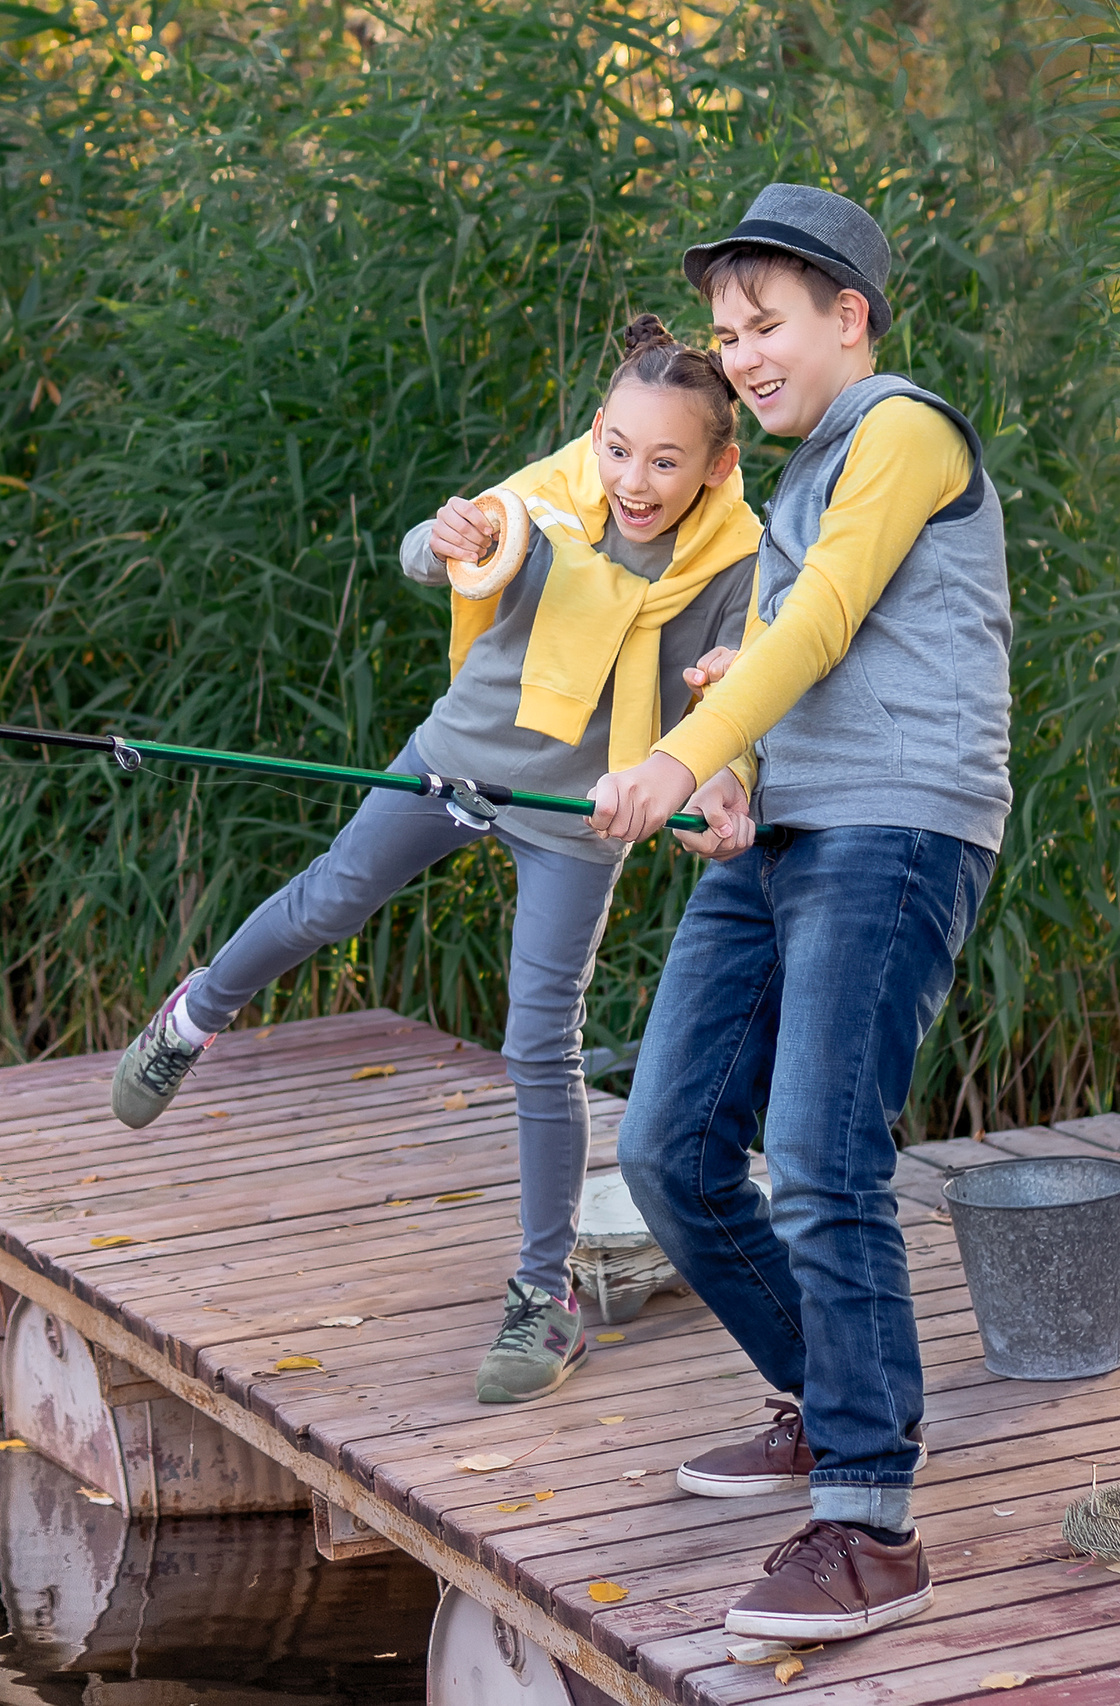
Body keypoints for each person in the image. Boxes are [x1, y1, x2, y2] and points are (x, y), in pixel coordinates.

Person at [112, 315, 765, 1405]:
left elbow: (737, 692)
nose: (632, 478)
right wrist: (446, 537)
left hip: (579, 807)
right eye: (616, 445)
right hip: (455, 757)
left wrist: (716, 768)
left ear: (717, 463)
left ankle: (542, 1297)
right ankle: (190, 1016)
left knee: (539, 1038)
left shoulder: (739, 559)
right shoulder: (555, 492)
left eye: (664, 459)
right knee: (329, 896)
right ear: (593, 433)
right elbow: (439, 546)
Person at [586, 183, 1011, 1641]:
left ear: (850, 317)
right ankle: (828, 1408)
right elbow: (794, 647)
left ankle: (873, 1524)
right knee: (668, 1148)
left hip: (896, 833)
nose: (742, 355)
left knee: (825, 1159)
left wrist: (676, 755)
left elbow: (827, 617)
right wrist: (736, 769)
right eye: (723, 331)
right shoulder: (802, 475)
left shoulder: (903, 426)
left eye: (765, 325)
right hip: (786, 837)